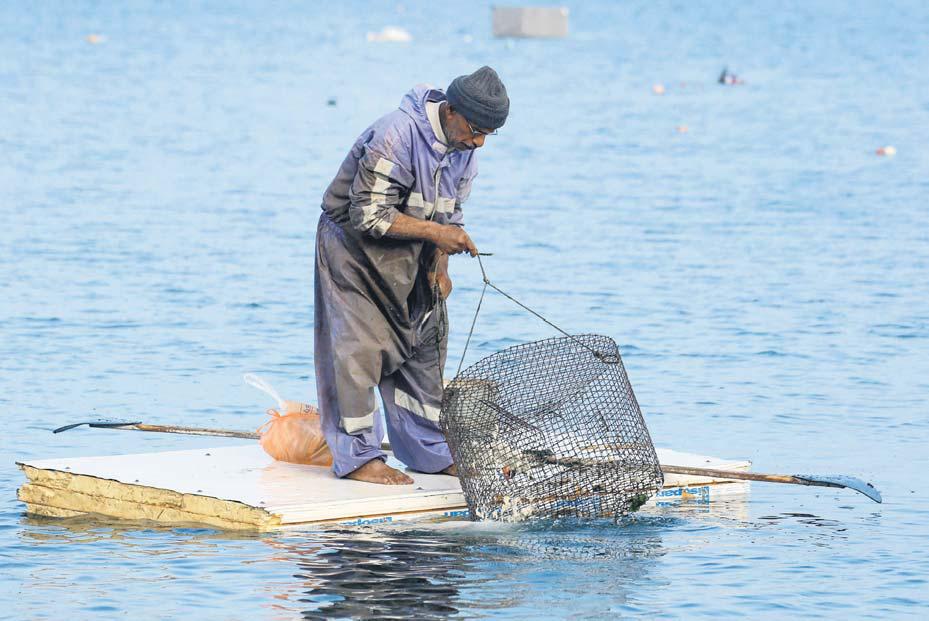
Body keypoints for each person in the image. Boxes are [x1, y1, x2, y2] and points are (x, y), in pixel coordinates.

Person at [314, 66, 510, 484]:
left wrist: (441, 265)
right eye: (475, 130)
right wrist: (439, 234)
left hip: (413, 251)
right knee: (358, 349)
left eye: (487, 136)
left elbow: (450, 214)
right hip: (353, 252)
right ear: (452, 111)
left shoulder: (466, 152)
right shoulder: (395, 135)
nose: (478, 143)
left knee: (426, 343)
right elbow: (366, 214)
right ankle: (359, 457)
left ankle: (429, 450)